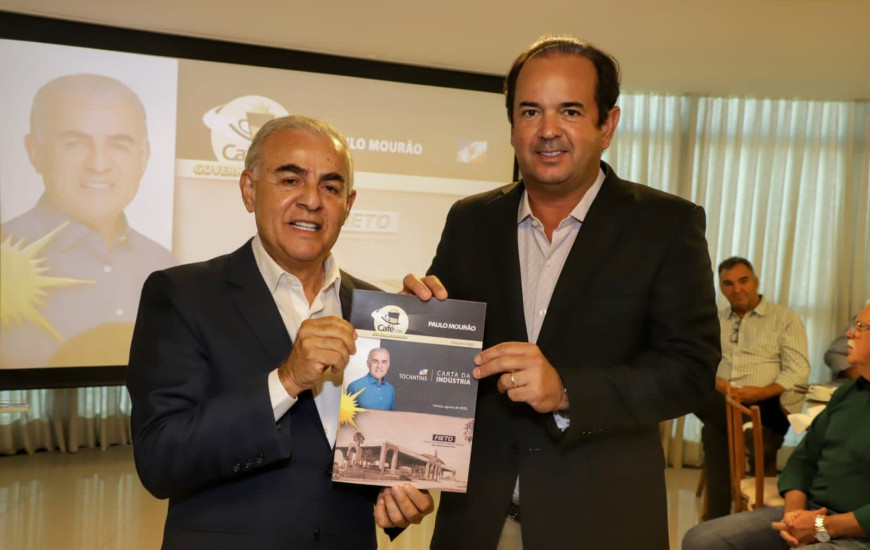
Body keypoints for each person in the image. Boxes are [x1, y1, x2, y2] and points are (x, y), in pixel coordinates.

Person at [402, 36, 721, 549]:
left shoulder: (666, 224)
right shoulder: (471, 220)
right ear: (512, 128)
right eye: (531, 111)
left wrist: (567, 390)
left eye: (570, 111)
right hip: (477, 522)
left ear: (607, 125)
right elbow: (448, 359)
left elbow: (691, 372)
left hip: (602, 526)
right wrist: (415, 327)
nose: (548, 130)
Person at [126, 116, 433, 549]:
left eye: (330, 187)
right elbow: (160, 460)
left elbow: (378, 461)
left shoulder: (379, 312)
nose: (311, 200)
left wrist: (397, 497)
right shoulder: (182, 294)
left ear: (349, 204)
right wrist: (286, 381)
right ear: (249, 189)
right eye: (291, 180)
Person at [0, 73, 176, 369]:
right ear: (35, 152)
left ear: (144, 156)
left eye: (119, 145)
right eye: (75, 144)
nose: (98, 165)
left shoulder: (164, 263)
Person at [683, 300, 870, 550]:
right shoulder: (847, 394)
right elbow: (802, 460)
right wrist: (793, 516)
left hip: (857, 532)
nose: (849, 333)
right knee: (700, 540)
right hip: (813, 514)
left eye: (860, 326)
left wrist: (821, 527)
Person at [695, 256, 811, 519]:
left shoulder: (785, 319)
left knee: (713, 431)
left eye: (743, 281)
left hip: (768, 405)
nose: (737, 289)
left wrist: (760, 392)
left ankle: (715, 519)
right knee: (695, 390)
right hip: (723, 399)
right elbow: (703, 363)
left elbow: (799, 370)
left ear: (756, 281)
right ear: (721, 288)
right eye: (728, 284)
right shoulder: (716, 321)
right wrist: (718, 382)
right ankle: (744, 426)